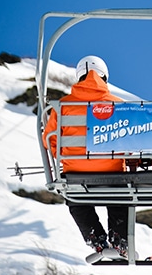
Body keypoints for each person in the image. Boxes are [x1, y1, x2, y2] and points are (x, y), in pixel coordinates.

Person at [42, 56, 129, 258]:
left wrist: (64, 158)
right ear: (104, 77)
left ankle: (97, 240)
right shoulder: (119, 105)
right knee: (120, 197)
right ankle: (119, 241)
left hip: (76, 172)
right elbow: (130, 140)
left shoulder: (61, 106)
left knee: (76, 200)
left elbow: (49, 139)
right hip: (112, 172)